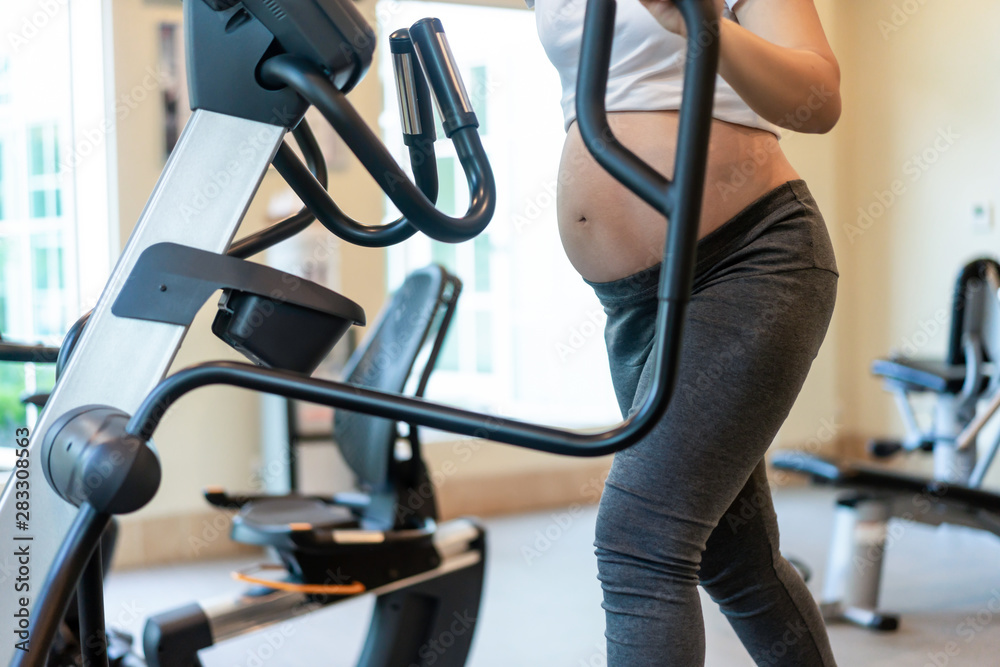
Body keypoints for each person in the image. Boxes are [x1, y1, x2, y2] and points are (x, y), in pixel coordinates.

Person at [526, 0, 842, 664]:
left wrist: (701, 23)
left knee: (640, 538)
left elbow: (819, 99)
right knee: (737, 559)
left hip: (753, 257)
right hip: (635, 301)